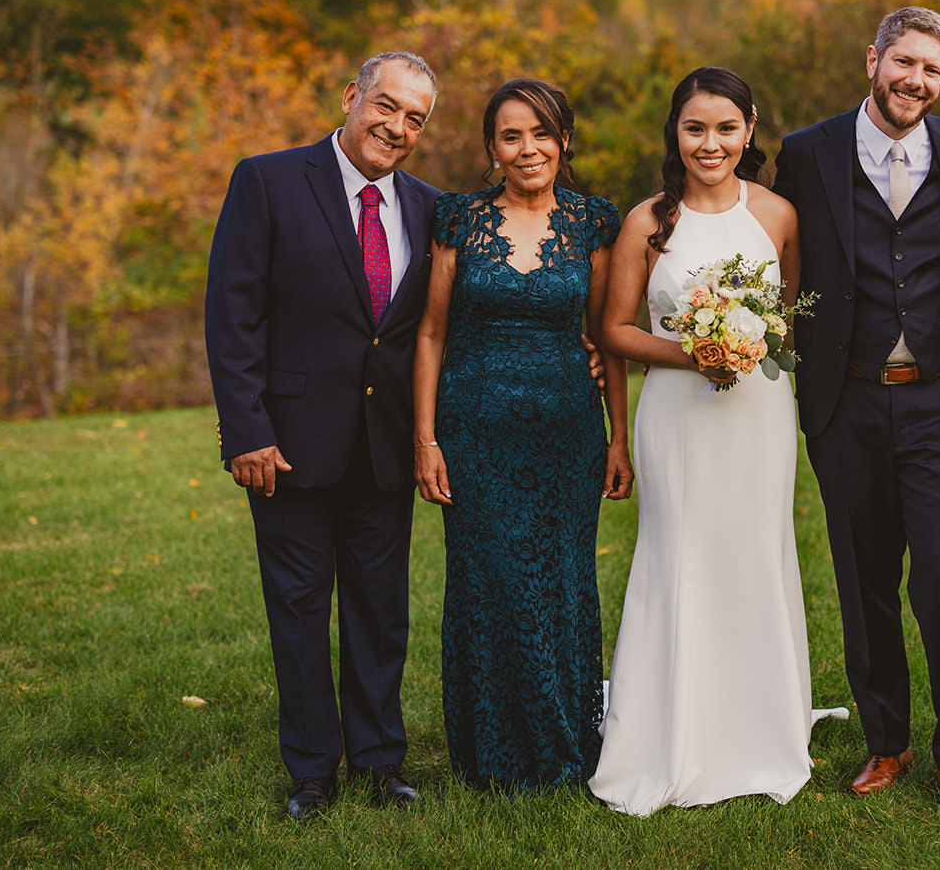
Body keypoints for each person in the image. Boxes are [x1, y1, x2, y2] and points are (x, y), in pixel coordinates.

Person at [204, 52, 441, 819]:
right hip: (287, 446)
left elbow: (443, 325)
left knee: (381, 612)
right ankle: (311, 770)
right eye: (387, 106)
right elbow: (232, 313)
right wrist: (246, 428)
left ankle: (380, 759)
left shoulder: (432, 209)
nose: (397, 127)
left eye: (415, 118)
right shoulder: (268, 181)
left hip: (384, 447)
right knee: (299, 611)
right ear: (351, 97)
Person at [771, 6, 940, 810]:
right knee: (865, 577)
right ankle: (885, 741)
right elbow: (772, 248)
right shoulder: (807, 153)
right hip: (848, 399)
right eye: (905, 62)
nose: (916, 80)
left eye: (932, 69)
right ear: (873, 60)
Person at [589, 68, 810, 816]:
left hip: (758, 415)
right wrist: (697, 352)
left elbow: (787, 324)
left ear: (749, 129)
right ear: (675, 134)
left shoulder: (778, 214)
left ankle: (760, 727)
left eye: (725, 128)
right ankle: (671, 731)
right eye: (694, 128)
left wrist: (747, 344)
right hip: (676, 414)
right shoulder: (646, 222)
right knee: (679, 556)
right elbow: (615, 329)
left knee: (755, 552)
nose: (709, 143)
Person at [413, 78, 632, 791]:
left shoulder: (594, 222)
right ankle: (494, 754)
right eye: (511, 135)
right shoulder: (458, 219)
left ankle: (565, 747)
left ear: (564, 140)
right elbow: (431, 333)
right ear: (492, 146)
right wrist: (426, 440)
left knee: (562, 582)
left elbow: (606, 337)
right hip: (474, 431)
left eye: (541, 133)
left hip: (569, 431)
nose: (527, 148)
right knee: (490, 584)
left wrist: (619, 438)